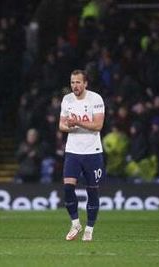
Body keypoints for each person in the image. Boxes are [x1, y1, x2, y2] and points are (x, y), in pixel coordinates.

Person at [59, 69, 105, 241]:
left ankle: (89, 229)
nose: (74, 86)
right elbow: (61, 126)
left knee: (92, 191)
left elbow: (98, 125)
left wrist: (77, 122)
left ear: (85, 83)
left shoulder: (96, 99)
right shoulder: (67, 100)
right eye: (72, 82)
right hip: (73, 151)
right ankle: (75, 223)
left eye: (78, 82)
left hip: (92, 152)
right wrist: (70, 126)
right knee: (67, 188)